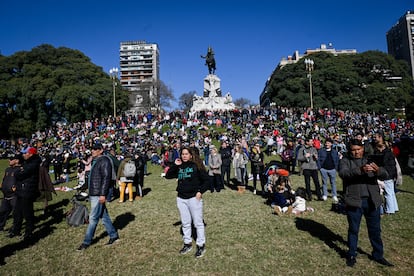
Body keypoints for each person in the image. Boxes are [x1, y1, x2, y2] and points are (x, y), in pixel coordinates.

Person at [339, 139, 394, 267]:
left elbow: (386, 175)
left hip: (372, 200)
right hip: (354, 200)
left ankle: (378, 255)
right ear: (350, 150)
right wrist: (360, 170)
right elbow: (343, 173)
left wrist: (378, 170)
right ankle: (352, 254)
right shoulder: (345, 161)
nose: (356, 152)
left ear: (363, 149)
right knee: (353, 229)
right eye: (353, 150)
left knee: (375, 230)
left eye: (358, 149)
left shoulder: (370, 159)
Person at [165, 147, 209, 258]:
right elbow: (168, 175)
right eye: (182, 154)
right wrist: (175, 165)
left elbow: (207, 181)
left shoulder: (196, 166)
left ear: (191, 155)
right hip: (181, 198)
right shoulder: (179, 166)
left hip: (193, 198)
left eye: (186, 154)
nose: (184, 156)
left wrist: (200, 192)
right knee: (185, 223)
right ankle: (187, 243)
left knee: (198, 223)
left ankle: (200, 245)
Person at [77, 143, 119, 250]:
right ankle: (113, 235)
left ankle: (86, 242)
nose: (93, 151)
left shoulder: (104, 160)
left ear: (101, 150)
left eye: (95, 149)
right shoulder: (96, 161)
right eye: (92, 149)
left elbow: (106, 178)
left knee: (93, 217)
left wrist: (102, 194)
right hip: (94, 193)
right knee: (104, 216)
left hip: (98, 194)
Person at [9, 147, 41, 240]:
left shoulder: (33, 163)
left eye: (26, 153)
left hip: (27, 190)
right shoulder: (27, 161)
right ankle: (16, 230)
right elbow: (19, 158)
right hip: (20, 190)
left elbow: (20, 174)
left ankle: (29, 232)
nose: (24, 155)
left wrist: (18, 171)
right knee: (17, 212)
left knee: (27, 213)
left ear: (31, 154)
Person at [373, 131, 399, 215]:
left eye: (376, 137)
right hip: (389, 174)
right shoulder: (388, 152)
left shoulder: (387, 153)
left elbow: (389, 165)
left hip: (387, 174)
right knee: (390, 192)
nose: (374, 138)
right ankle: (394, 208)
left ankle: (389, 210)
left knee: (388, 193)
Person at [0, 154, 23, 231]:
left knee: (16, 213)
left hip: (14, 196)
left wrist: (17, 188)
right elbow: (4, 179)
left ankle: (16, 228)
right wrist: (2, 185)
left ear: (17, 161)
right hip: (6, 195)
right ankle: (0, 226)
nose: (9, 160)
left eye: (11, 159)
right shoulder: (8, 169)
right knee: (2, 211)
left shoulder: (20, 170)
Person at [318, 138, 340, 203]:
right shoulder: (321, 151)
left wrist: (336, 168)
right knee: (324, 183)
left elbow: (337, 160)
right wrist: (320, 168)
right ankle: (325, 194)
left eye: (328, 143)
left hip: (332, 169)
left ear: (331, 144)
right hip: (323, 169)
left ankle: (334, 195)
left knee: (333, 183)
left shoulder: (334, 151)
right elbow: (318, 159)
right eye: (326, 143)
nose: (327, 144)